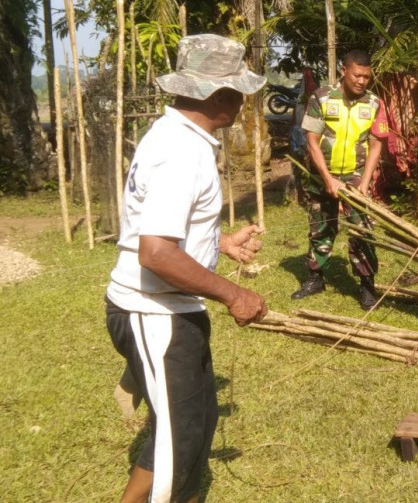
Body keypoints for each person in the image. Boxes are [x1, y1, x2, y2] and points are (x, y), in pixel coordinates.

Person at [104, 34, 269, 503]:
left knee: (192, 424)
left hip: (171, 308)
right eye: (238, 92)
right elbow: (155, 252)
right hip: (152, 311)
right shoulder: (181, 151)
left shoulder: (177, 136)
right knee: (180, 441)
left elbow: (160, 227)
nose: (242, 102)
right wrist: (234, 294)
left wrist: (219, 241)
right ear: (217, 97)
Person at [291, 50, 390, 309]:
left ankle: (367, 284)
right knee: (321, 225)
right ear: (344, 71)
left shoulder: (374, 103)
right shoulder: (321, 98)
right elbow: (311, 141)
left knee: (362, 229)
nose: (361, 81)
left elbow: (376, 145)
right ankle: (315, 277)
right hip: (323, 172)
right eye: (357, 75)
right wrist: (327, 179)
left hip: (356, 175)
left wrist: (365, 183)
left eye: (367, 77)